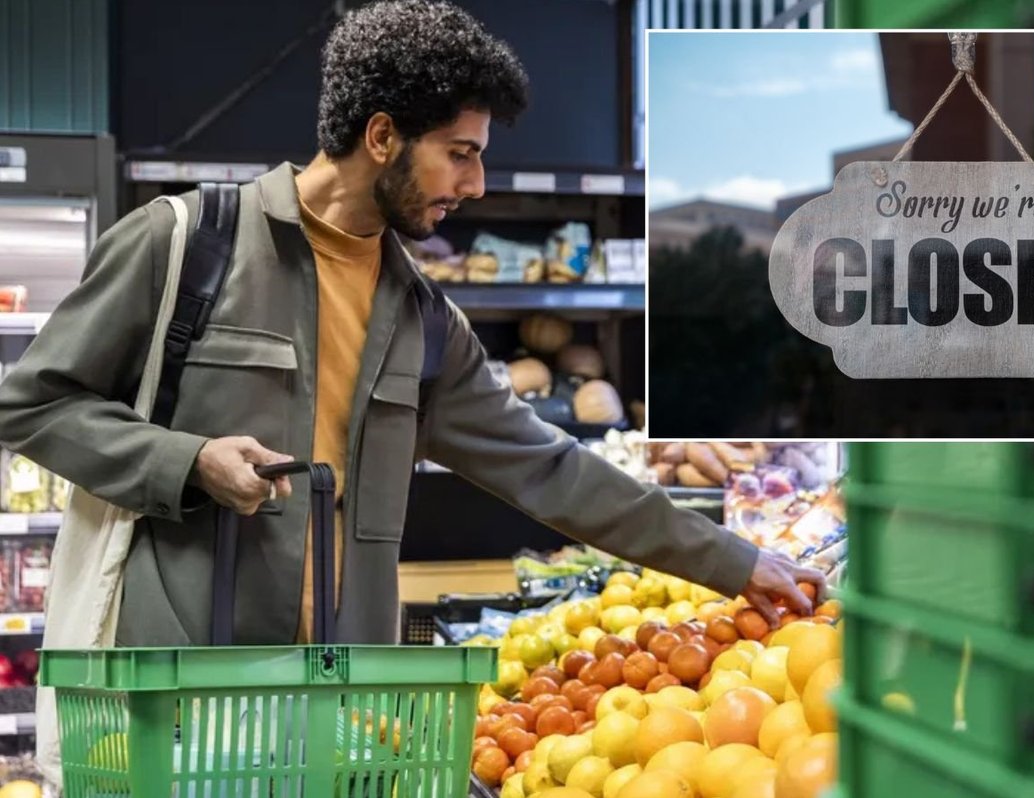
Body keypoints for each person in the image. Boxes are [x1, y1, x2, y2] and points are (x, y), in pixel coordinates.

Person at [0, 0, 823, 651]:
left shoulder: (423, 321)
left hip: (340, 700)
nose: (476, 182)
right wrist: (188, 461)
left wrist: (736, 562)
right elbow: (32, 404)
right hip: (181, 690)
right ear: (383, 135)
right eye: (460, 152)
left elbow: (555, 471)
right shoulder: (185, 245)